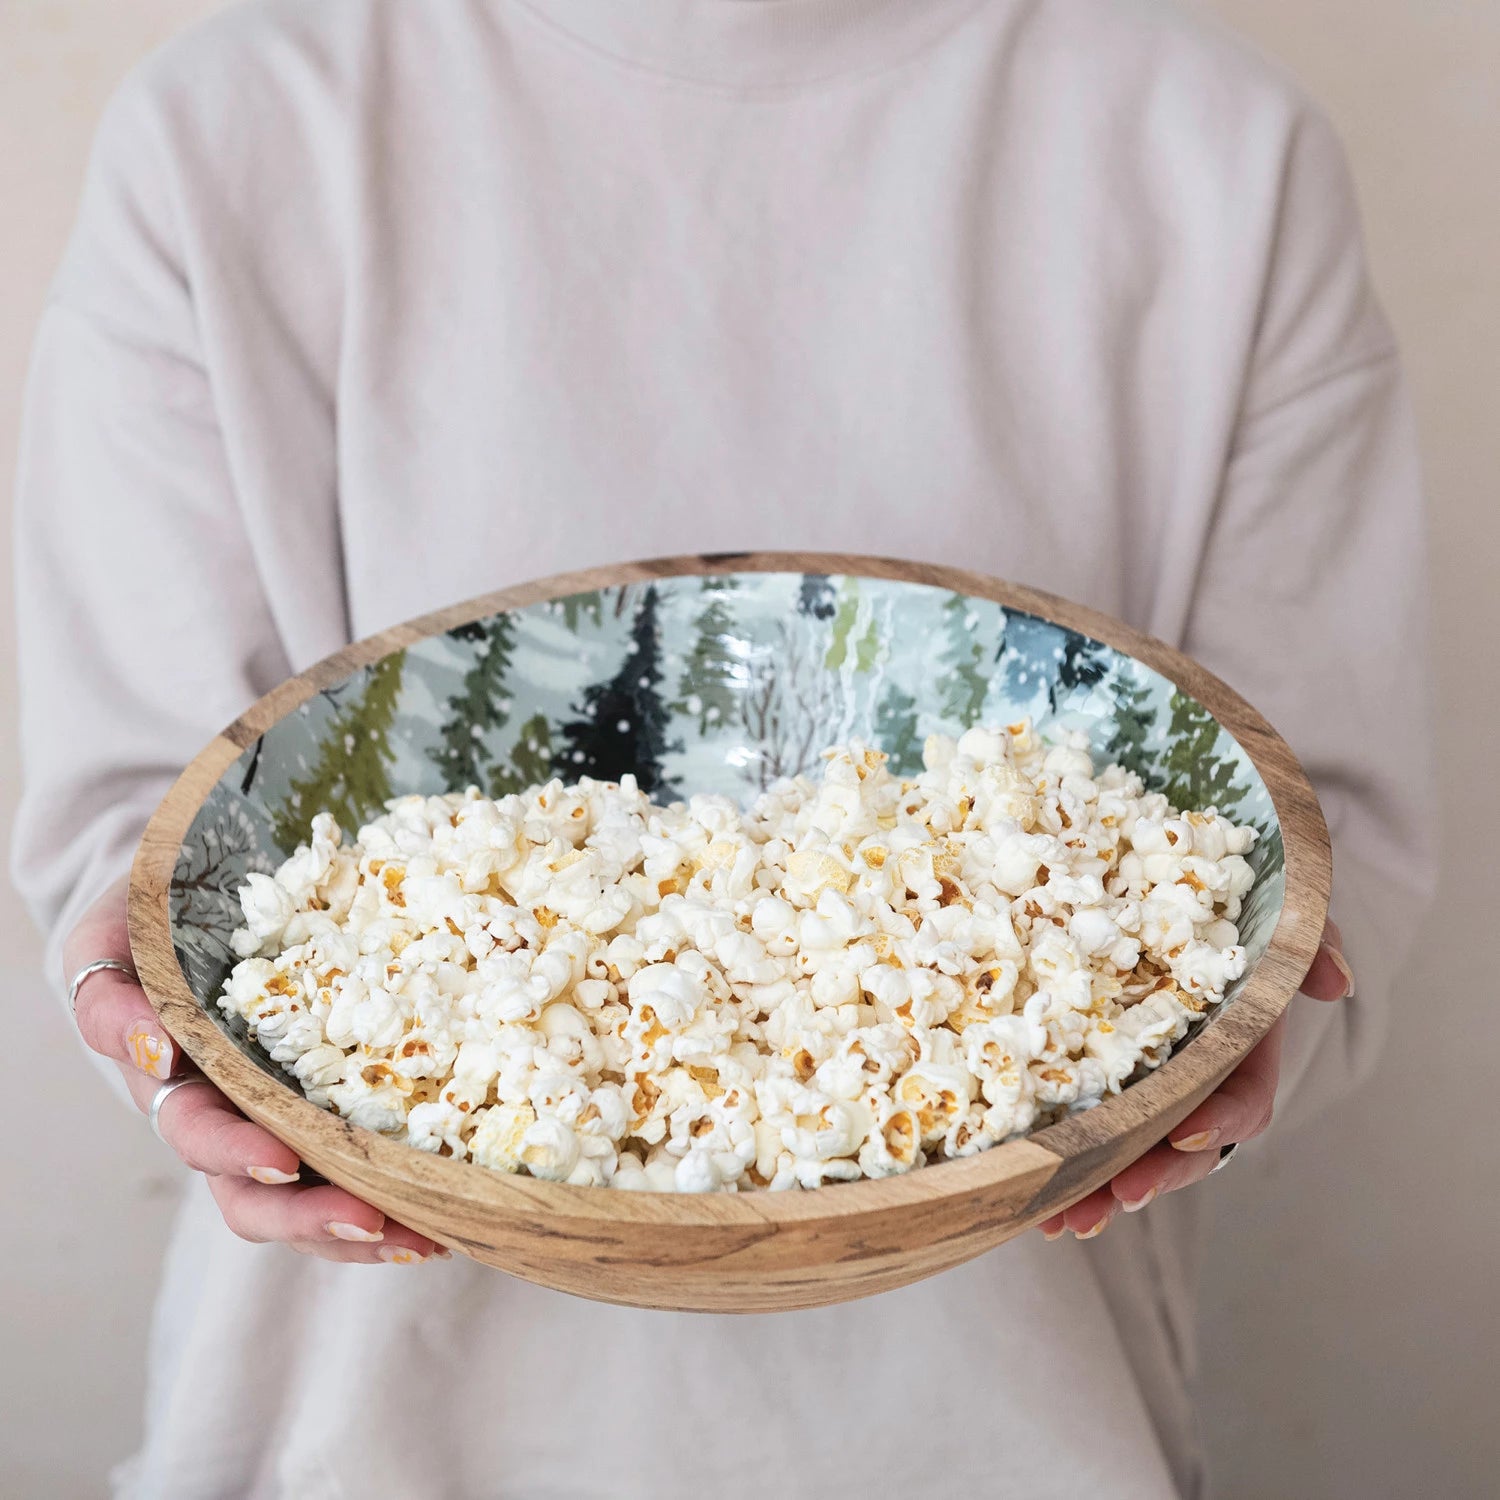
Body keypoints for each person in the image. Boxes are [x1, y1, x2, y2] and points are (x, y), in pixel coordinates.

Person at [13, 1, 1437, 1496]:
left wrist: (1261, 994)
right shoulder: (236, 131)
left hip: (1010, 1442)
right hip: (346, 1438)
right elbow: (143, 832)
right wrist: (155, 1001)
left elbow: (1321, 856)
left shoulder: (1213, 150)